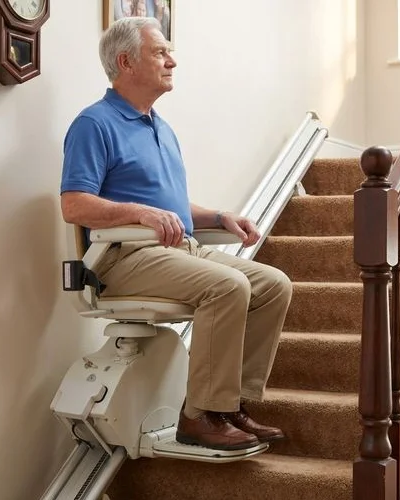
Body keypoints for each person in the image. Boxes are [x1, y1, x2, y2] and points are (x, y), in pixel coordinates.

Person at [59, 17, 292, 451]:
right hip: (123, 258)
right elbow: (74, 204)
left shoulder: (160, 127)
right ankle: (199, 416)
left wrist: (219, 217)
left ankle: (229, 406)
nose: (173, 61)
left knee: (273, 284)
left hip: (178, 249)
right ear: (126, 62)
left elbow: (170, 207)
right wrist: (138, 212)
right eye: (160, 52)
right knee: (228, 286)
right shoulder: (94, 123)